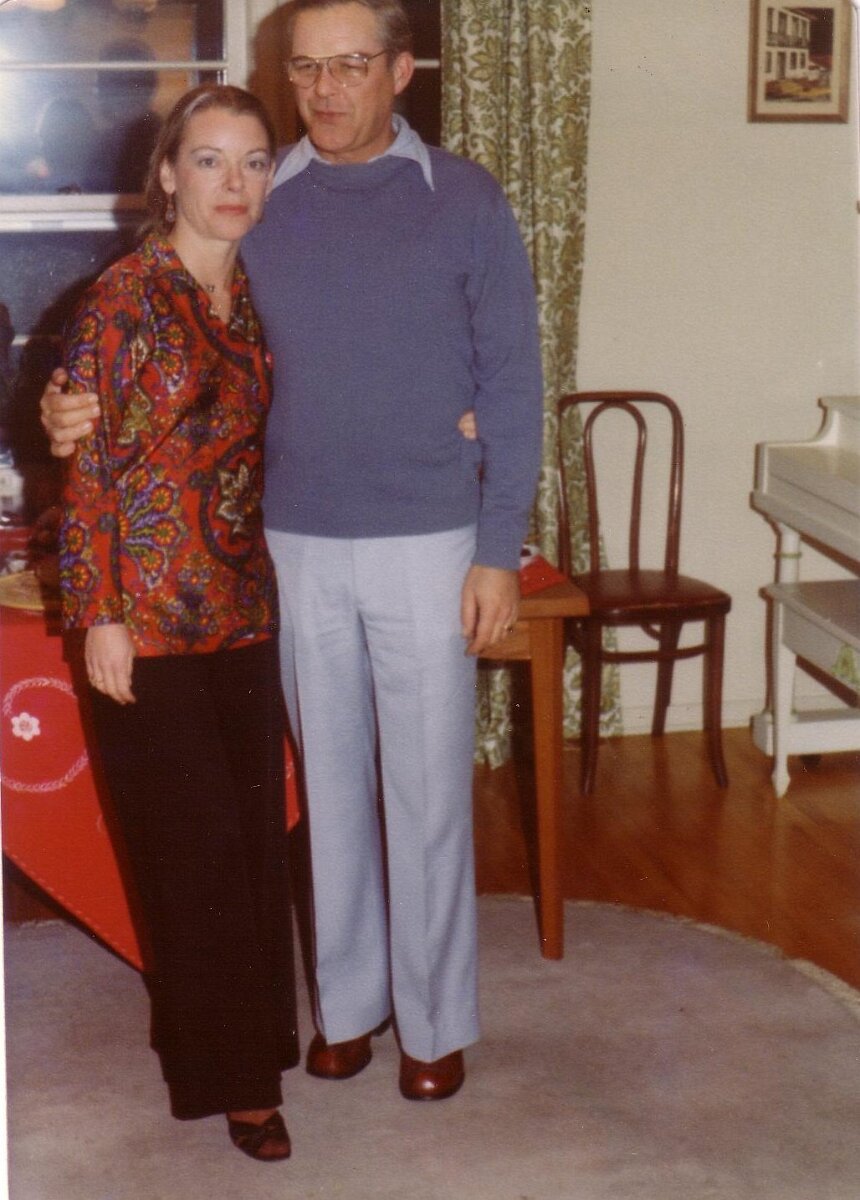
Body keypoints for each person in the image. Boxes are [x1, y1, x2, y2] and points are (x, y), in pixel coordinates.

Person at [43, 0, 543, 1104]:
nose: (324, 89)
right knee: (326, 789)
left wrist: (497, 547)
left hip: (429, 537)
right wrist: (65, 403)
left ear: (400, 70)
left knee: (427, 793)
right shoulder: (268, 201)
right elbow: (158, 316)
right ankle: (348, 1008)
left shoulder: (465, 200)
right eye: (305, 67)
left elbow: (512, 379)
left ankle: (434, 1021)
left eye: (350, 64)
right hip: (289, 545)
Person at [58, 84, 297, 1162]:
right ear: (167, 174)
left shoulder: (252, 296)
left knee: (250, 848)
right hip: (147, 620)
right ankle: (237, 1086)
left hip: (243, 609)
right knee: (193, 855)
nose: (233, 182)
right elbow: (89, 471)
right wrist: (100, 614)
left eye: (253, 161)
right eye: (209, 160)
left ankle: (242, 1047)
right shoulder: (123, 297)